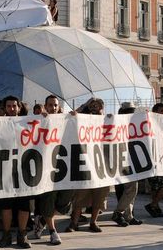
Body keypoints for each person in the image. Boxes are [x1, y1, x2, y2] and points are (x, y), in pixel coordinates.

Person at [33, 95, 72, 246]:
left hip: (63, 167)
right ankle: (52, 231)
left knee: (65, 202)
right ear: (45, 106)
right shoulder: (40, 121)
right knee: (48, 199)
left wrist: (76, 117)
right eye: (50, 105)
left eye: (55, 105)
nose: (53, 108)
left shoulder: (65, 120)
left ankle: (42, 219)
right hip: (45, 168)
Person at [66, 98, 109, 233]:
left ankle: (93, 222)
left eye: (97, 106)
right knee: (80, 196)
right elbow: (71, 116)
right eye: (92, 105)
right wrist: (83, 106)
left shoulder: (106, 121)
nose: (94, 108)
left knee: (99, 196)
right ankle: (74, 223)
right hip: (85, 162)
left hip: (101, 165)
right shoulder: (81, 119)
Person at [0, 95, 32, 248]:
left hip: (24, 171)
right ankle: (6, 235)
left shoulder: (28, 123)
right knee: (6, 206)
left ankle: (22, 235)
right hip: (5, 172)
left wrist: (46, 118)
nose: (12, 108)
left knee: (24, 206)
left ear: (19, 107)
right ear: (5, 108)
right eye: (9, 106)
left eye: (14, 106)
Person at [110, 103, 143, 227]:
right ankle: (119, 213)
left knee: (131, 189)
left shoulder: (134, 124)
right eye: (129, 111)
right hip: (121, 159)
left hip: (132, 159)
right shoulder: (116, 124)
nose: (132, 113)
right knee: (131, 188)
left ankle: (128, 215)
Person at [144, 103, 163, 218]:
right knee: (155, 186)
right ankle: (155, 206)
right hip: (153, 158)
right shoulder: (149, 124)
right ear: (155, 112)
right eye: (162, 111)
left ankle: (153, 204)